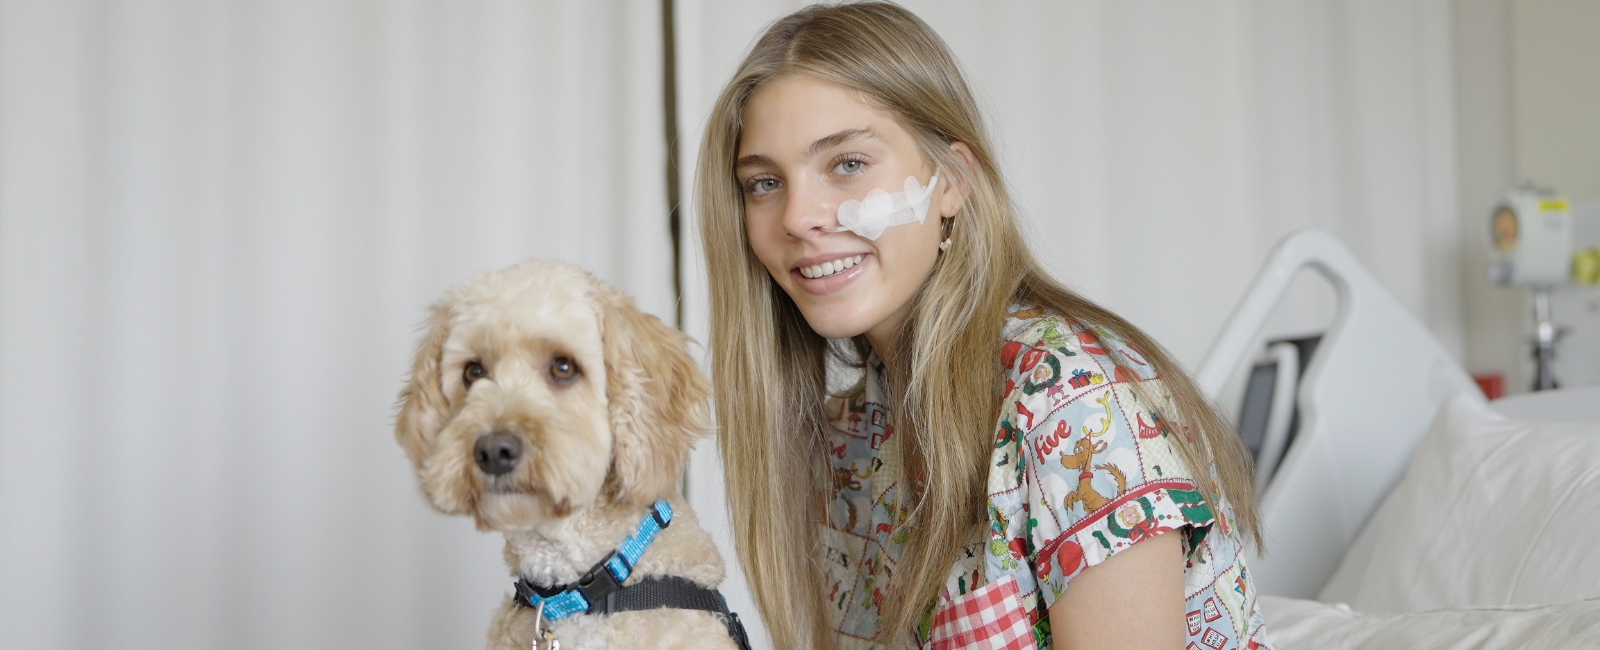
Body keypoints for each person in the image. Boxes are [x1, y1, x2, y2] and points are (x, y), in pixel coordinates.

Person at [696, 3, 1269, 649]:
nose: (798, 216)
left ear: (953, 182)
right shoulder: (851, 436)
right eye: (765, 182)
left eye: (848, 164)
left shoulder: (1070, 404)